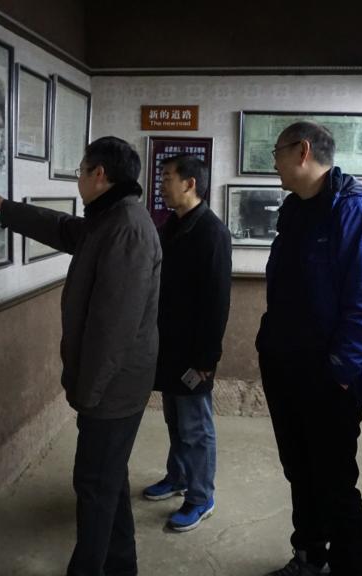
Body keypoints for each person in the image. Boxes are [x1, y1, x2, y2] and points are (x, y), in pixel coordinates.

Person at [0, 136, 161, 576]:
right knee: (109, 479)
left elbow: (113, 328)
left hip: (113, 387)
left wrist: (89, 393)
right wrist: (7, 209)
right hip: (112, 383)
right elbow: (64, 229)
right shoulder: (111, 218)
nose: (78, 179)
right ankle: (121, 566)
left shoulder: (126, 228)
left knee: (94, 486)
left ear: (99, 175)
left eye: (81, 171)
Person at [257, 121, 362, 576]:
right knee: (299, 471)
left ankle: (348, 568)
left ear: (302, 151)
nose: (273, 162)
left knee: (334, 481)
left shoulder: (355, 211)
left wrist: (340, 372)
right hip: (286, 366)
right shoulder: (295, 210)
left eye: (277, 152)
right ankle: (308, 556)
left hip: (328, 376)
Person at [141, 154, 232, 532]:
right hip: (169, 346)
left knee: (196, 426)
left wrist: (207, 358)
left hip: (195, 352)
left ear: (190, 183)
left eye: (167, 178)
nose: (161, 185)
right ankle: (178, 476)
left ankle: (201, 496)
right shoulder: (171, 226)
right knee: (176, 421)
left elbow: (217, 301)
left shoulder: (212, 232)